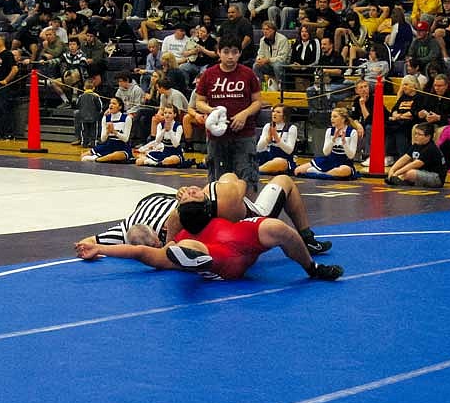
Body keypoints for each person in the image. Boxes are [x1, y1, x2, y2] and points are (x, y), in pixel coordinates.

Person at [80, 171, 332, 255]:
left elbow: (91, 243)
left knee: (231, 183)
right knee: (284, 181)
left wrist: (96, 249)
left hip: (223, 212)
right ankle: (307, 238)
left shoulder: (128, 229)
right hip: (236, 214)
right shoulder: (132, 221)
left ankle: (307, 239)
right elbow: (90, 242)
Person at [75, 212, 343, 281]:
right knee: (186, 246)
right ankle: (195, 260)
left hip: (240, 235)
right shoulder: (175, 238)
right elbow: (140, 251)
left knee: (278, 228)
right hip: (221, 255)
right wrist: (100, 249)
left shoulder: (206, 211)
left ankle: (312, 267)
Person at [195, 35, 263, 191]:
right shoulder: (209, 74)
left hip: (244, 134)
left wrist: (244, 114)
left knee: (247, 178)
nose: (230, 56)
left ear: (240, 53)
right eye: (226, 52)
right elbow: (199, 102)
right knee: (217, 181)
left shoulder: (248, 74)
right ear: (219, 52)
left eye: (234, 52)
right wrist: (212, 111)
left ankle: (249, 211)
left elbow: (258, 101)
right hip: (217, 136)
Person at [295, 107, 358, 179]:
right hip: (330, 160)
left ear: (343, 119)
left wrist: (344, 142)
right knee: (298, 171)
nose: (332, 119)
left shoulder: (352, 132)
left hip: (344, 163)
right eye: (331, 117)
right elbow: (326, 153)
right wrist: (333, 140)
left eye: (335, 117)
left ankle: (320, 173)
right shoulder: (329, 131)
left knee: (342, 171)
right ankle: (323, 174)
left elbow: (351, 156)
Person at [385, 122, 447, 187]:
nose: (416, 136)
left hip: (436, 178)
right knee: (406, 172)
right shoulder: (416, 145)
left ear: (428, 136)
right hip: (424, 172)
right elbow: (405, 158)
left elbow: (415, 164)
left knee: (410, 173)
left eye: (419, 134)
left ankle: (402, 181)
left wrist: (397, 173)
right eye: (415, 134)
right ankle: (403, 181)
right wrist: (392, 169)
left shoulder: (431, 148)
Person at [80, 96, 133, 162]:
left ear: (120, 107)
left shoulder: (127, 118)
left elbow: (125, 139)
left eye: (114, 103)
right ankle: (100, 159)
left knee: (116, 155)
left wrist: (114, 132)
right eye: (110, 103)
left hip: (122, 146)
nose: (111, 105)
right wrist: (107, 132)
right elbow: (103, 139)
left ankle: (97, 159)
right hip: (109, 144)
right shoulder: (105, 118)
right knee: (83, 155)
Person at [0, 35, 19, 140]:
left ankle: (9, 133)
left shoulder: (8, 54)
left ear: (2, 42)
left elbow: (14, 69)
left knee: (5, 109)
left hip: (4, 87)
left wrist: (6, 81)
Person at [256, 104, 297, 174]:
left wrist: (277, 139)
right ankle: (260, 169)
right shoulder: (268, 126)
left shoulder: (292, 128)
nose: (274, 114)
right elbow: (259, 148)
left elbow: (289, 150)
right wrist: (267, 139)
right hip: (269, 157)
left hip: (284, 159)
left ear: (284, 116)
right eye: (273, 111)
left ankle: (256, 171)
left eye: (278, 112)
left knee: (279, 162)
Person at [252, 20, 290, 85]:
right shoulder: (262, 40)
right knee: (256, 65)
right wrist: (259, 59)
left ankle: (281, 87)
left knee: (277, 65)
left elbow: (282, 58)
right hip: (269, 64)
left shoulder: (282, 39)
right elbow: (260, 53)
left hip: (283, 64)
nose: (264, 31)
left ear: (273, 30)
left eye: (267, 29)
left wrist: (268, 60)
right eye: (263, 29)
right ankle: (262, 86)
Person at [73, 79, 103, 147]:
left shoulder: (81, 96)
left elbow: (78, 105)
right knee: (93, 130)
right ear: (94, 88)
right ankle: (92, 143)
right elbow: (99, 106)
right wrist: (98, 112)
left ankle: (84, 143)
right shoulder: (96, 96)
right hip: (93, 117)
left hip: (83, 117)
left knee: (84, 130)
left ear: (84, 88)